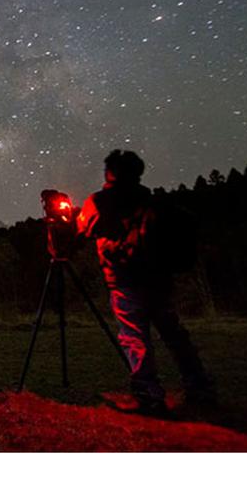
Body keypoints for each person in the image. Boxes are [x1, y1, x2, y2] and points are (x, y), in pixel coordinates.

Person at [76, 150, 214, 415]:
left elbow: (85, 229)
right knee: (175, 336)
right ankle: (200, 388)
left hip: (125, 281)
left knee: (135, 339)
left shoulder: (101, 202)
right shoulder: (151, 201)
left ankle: (149, 395)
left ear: (110, 172)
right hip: (159, 280)